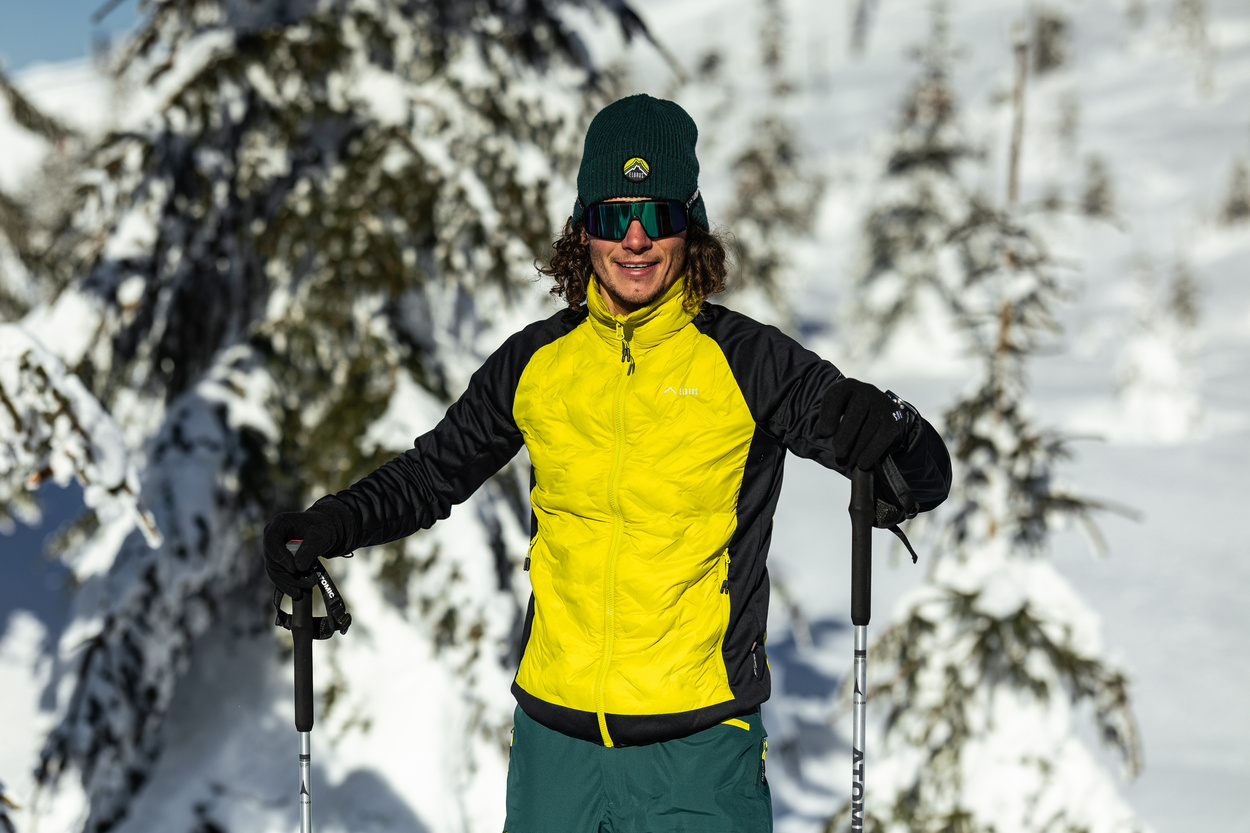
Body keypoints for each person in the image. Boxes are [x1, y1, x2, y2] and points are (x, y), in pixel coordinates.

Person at [263, 93, 951, 833]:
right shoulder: (537, 362)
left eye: (656, 214)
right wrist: (331, 523)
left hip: (698, 752)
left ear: (690, 225)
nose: (635, 238)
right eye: (612, 216)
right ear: (583, 228)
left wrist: (897, 429)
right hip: (555, 751)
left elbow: (918, 478)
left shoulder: (750, 362)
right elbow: (433, 475)